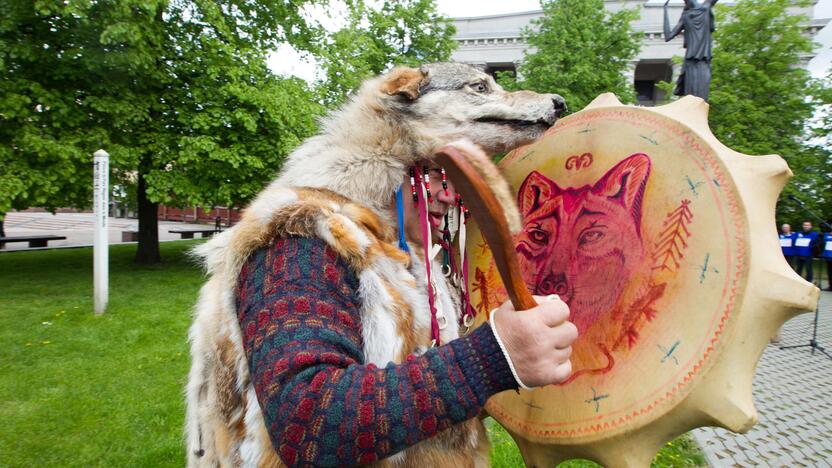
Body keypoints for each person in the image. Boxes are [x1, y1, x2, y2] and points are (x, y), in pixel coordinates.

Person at [185, 63, 575, 467]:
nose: (449, 195)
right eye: (439, 174)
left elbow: (418, 394)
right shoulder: (300, 238)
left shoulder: (409, 260)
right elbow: (308, 420)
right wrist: (492, 357)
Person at [663, 0, 718, 101]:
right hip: (696, 62)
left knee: (697, 99)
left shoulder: (700, 9)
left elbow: (668, 36)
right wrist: (665, 11)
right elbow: (668, 37)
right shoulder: (702, 9)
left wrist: (665, 11)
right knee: (694, 99)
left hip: (698, 62)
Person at [821, 221, 832, 291]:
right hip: (828, 257)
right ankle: (830, 286)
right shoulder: (827, 234)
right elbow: (824, 241)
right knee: (830, 272)